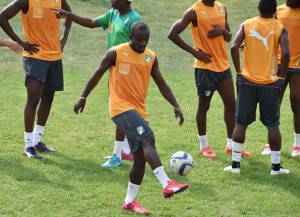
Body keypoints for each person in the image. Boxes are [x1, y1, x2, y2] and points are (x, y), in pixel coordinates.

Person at [73, 22, 188, 215]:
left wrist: (175, 104)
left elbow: (161, 83)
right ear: (130, 37)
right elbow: (97, 74)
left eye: (146, 40)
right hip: (120, 108)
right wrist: (83, 97)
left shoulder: (150, 57)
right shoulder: (115, 53)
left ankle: (129, 202)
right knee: (148, 138)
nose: (143, 43)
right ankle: (167, 183)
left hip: (138, 111)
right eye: (139, 40)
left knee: (140, 158)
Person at [53, 0, 140, 168]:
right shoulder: (113, 14)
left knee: (121, 111)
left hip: (126, 72)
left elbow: (139, 47)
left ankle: (118, 155)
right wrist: (70, 15)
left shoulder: (134, 19)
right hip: (115, 70)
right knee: (122, 109)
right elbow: (92, 23)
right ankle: (125, 150)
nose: (110, 0)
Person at [168, 0, 251, 159]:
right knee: (204, 106)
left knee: (231, 104)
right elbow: (172, 33)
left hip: (223, 66)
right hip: (205, 68)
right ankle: (204, 146)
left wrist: (222, 31)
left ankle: (231, 145)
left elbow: (228, 36)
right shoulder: (194, 11)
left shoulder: (221, 7)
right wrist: (194, 52)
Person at [224, 0, 290, 175]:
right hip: (270, 84)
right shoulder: (280, 28)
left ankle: (235, 166)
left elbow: (234, 46)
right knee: (273, 125)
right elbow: (285, 53)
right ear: (275, 9)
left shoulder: (247, 24)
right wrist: (282, 76)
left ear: (258, 8)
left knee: (241, 124)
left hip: (247, 81)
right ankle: (275, 168)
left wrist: (238, 71)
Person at [0, 0, 72, 159]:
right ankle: (27, 146)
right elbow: (2, 16)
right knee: (33, 100)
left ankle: (37, 141)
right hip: (35, 57)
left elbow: (69, 15)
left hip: (54, 57)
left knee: (48, 98)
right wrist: (21, 43)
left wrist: (63, 39)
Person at [261, 0, 300, 158]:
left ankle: (297, 144)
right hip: (278, 64)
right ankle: (270, 144)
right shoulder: (278, 11)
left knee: (297, 102)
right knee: (273, 103)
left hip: (298, 66)